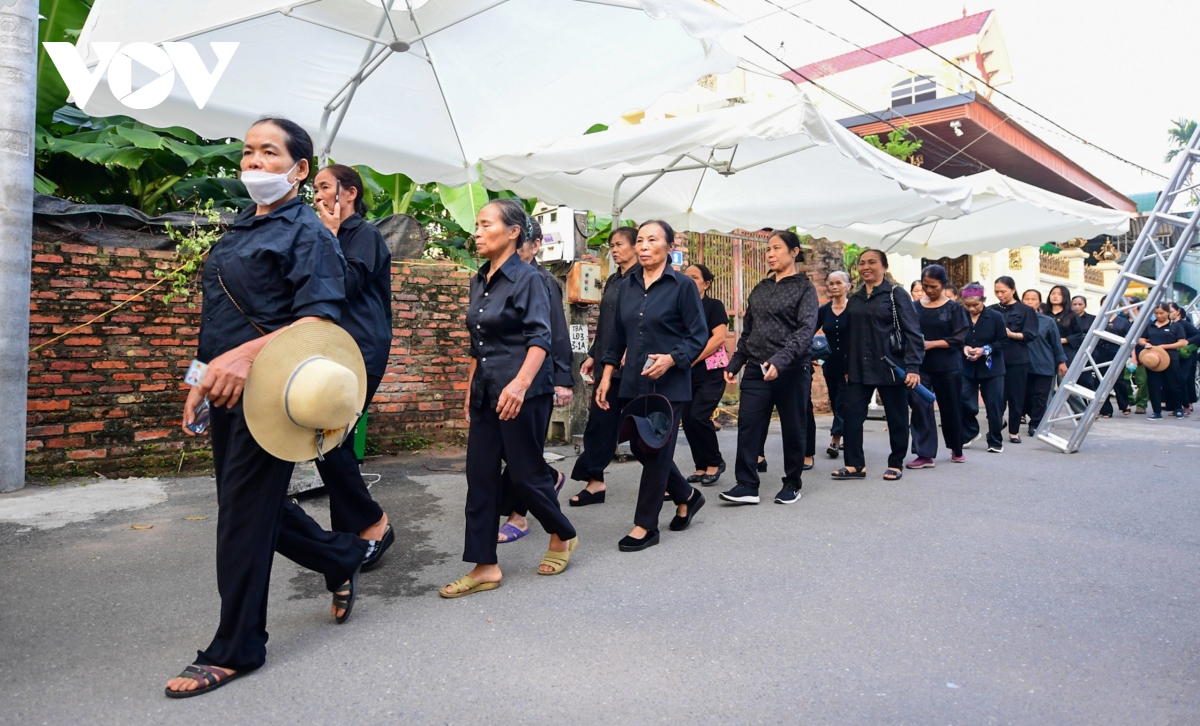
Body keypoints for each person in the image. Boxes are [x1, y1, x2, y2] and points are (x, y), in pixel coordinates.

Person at [168, 118, 370, 698]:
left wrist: (238, 362)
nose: (254, 162)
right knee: (249, 507)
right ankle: (343, 553)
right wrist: (199, 379)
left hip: (274, 393)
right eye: (248, 153)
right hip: (225, 390)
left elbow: (319, 320)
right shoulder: (239, 229)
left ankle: (237, 647)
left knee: (240, 517)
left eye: (269, 153)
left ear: (300, 169)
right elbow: (219, 321)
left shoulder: (308, 233)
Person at [442, 199, 579, 598]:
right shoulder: (480, 279)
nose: (478, 232)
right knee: (480, 478)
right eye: (478, 225)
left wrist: (518, 385)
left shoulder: (531, 279)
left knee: (526, 475)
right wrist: (470, 391)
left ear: (513, 231)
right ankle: (485, 566)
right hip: (487, 392)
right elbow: (476, 345)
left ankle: (563, 534)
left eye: (486, 225)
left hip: (525, 392)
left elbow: (540, 338)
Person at [596, 220, 708, 551]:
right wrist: (605, 376)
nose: (644, 246)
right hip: (632, 380)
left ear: (670, 246)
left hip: (669, 384)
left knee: (657, 452)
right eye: (640, 240)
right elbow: (616, 336)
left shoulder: (682, 286)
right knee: (643, 448)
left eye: (652, 240)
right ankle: (687, 495)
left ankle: (646, 525)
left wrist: (672, 359)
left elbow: (698, 335)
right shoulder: (626, 285)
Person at [311, 164, 394, 568]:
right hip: (330, 350)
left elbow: (344, 284)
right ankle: (351, 535)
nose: (318, 195)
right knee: (329, 440)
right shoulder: (325, 236)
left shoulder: (365, 236)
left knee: (331, 440)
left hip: (361, 351)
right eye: (315, 189)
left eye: (325, 187)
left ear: (349, 193)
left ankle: (373, 523)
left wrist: (327, 237)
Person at [719, 230, 819, 505]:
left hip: (791, 370)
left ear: (794, 252)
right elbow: (749, 329)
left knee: (793, 427)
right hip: (755, 368)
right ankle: (747, 484)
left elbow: (805, 331)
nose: (771, 254)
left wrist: (780, 360)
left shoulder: (804, 289)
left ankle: (792, 483)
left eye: (776, 248)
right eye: (768, 250)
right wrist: (736, 360)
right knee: (749, 424)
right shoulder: (761, 288)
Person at [496, 219, 573, 543]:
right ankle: (549, 476)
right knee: (509, 450)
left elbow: (556, 331)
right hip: (502, 379)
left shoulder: (543, 281)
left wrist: (563, 379)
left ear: (535, 244)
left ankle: (519, 517)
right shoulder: (501, 279)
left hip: (537, 381)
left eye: (521, 244)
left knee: (522, 453)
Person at [834, 249, 923, 481]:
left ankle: (895, 463)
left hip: (890, 366)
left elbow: (913, 333)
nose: (866, 267)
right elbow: (849, 335)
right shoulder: (855, 298)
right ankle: (854, 465)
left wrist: (913, 367)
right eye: (862, 263)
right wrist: (846, 367)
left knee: (896, 417)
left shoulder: (896, 295)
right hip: (858, 368)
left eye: (872, 262)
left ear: (884, 267)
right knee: (851, 415)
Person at [569, 227, 639, 506]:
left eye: (620, 244)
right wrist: (591, 354)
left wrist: (631, 350)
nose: (614, 249)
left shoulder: (643, 279)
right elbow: (605, 323)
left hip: (633, 365)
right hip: (606, 362)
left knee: (641, 427)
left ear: (635, 246)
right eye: (612, 245)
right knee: (599, 422)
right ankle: (595, 482)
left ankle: (669, 482)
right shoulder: (612, 279)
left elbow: (638, 323)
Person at [906, 264, 968, 468]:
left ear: (943, 284)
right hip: (920, 366)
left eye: (933, 286)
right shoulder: (914, 307)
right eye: (925, 286)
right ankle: (925, 454)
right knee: (920, 406)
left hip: (948, 365)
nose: (929, 290)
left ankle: (956, 447)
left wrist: (932, 344)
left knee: (950, 408)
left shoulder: (954, 308)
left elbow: (959, 337)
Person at [681, 264, 729, 486]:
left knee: (699, 416)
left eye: (694, 277)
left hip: (711, 371)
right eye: (686, 277)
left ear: (706, 284)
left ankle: (714, 462)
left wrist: (693, 358)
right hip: (685, 373)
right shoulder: (680, 307)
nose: (689, 281)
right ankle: (700, 466)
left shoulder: (713, 306)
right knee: (688, 420)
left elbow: (719, 337)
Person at [960, 283, 1008, 453]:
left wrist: (985, 349)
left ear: (983, 301)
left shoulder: (995, 316)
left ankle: (995, 440)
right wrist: (964, 347)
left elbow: (1003, 341)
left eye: (976, 305)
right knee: (963, 399)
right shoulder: (960, 316)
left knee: (993, 405)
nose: (972, 308)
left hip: (991, 368)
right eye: (968, 305)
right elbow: (955, 338)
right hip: (967, 366)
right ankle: (970, 431)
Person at [990, 277, 1038, 444]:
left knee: (1016, 396)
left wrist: (1013, 335)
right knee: (995, 396)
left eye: (1003, 291)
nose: (1000, 295)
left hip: (1017, 358)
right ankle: (997, 425)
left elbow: (1031, 334)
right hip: (995, 357)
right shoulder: (991, 310)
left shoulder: (1026, 310)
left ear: (1013, 289)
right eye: (997, 291)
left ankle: (1014, 431)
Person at [1022, 289, 1068, 435]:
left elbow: (1056, 343)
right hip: (1022, 365)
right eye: (1026, 299)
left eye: (1033, 299)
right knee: (1025, 396)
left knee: (1040, 396)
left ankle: (1035, 424)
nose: (1029, 302)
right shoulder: (1017, 320)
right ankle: (1030, 415)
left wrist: (1061, 362)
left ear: (1039, 302)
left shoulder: (1048, 322)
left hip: (1044, 364)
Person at [816, 270, 851, 458]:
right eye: (831, 283)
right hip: (830, 363)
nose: (834, 286)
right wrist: (812, 354)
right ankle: (846, 435)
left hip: (851, 364)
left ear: (848, 286)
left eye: (839, 283)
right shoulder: (823, 310)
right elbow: (809, 332)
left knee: (844, 402)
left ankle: (835, 439)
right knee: (836, 400)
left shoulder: (854, 309)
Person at [1138, 302, 1188, 419]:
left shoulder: (1175, 326)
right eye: (1156, 313)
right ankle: (1156, 411)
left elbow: (1182, 342)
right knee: (1154, 385)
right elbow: (1141, 339)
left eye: (1162, 313)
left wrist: (1164, 346)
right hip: (1153, 360)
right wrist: (1146, 344)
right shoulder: (1150, 325)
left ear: (1168, 312)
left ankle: (1178, 408)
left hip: (1171, 359)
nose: (1159, 316)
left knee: (1173, 384)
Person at [1093, 295, 1134, 418]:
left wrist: (1133, 357)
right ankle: (1106, 410)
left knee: (1118, 380)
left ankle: (1124, 404)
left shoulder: (1123, 321)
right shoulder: (1098, 320)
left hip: (1117, 353)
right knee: (1100, 381)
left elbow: (1131, 339)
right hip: (1100, 354)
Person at [1168, 303, 1199, 415]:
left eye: (1171, 311)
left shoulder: (1184, 324)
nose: (1169, 314)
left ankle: (1186, 405)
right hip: (1173, 356)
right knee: (1174, 380)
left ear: (1178, 312)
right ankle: (1177, 406)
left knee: (1183, 380)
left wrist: (1188, 342)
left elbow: (1198, 335)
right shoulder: (1169, 325)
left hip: (1186, 356)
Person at [1045, 284, 1083, 361]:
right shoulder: (1044, 314)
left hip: (1066, 352)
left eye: (1059, 294)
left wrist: (1064, 340)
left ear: (1065, 297)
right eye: (1053, 294)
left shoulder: (1072, 315)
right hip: (1046, 351)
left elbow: (1079, 335)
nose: (1055, 296)